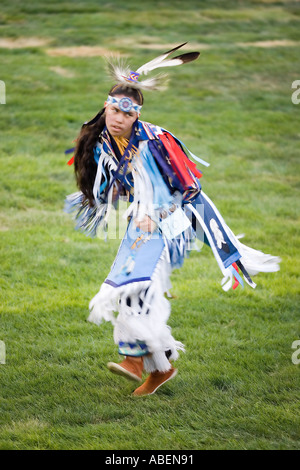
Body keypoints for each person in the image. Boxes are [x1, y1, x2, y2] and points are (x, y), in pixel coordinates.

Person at [65, 44, 280, 396]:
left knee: (137, 285)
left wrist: (158, 212)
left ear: (136, 117)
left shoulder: (156, 141)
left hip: (178, 219)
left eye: (127, 114)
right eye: (114, 110)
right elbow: (118, 182)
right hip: (143, 220)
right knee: (125, 285)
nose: (119, 118)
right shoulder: (103, 140)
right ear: (105, 106)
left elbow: (190, 188)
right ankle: (159, 366)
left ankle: (135, 358)